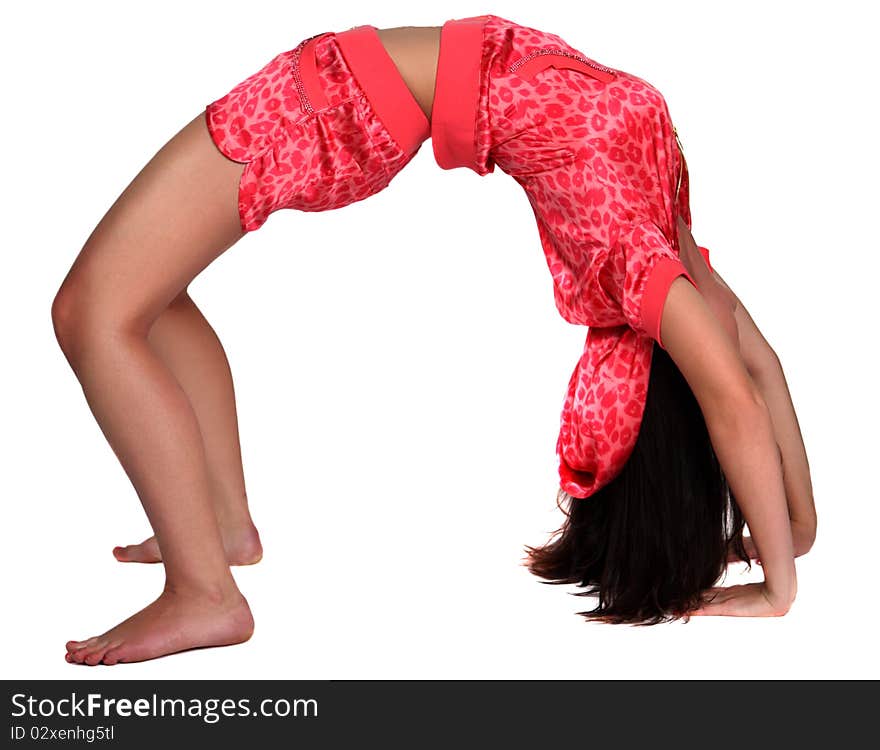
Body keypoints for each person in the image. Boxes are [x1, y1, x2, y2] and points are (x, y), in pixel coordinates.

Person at [53, 14, 816, 665]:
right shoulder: (674, 276)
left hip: (335, 104)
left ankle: (203, 592)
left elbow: (741, 393)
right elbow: (753, 374)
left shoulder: (635, 265)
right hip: (348, 91)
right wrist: (795, 543)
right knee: (143, 299)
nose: (586, 403)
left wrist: (779, 581)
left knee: (92, 312)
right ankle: (218, 526)